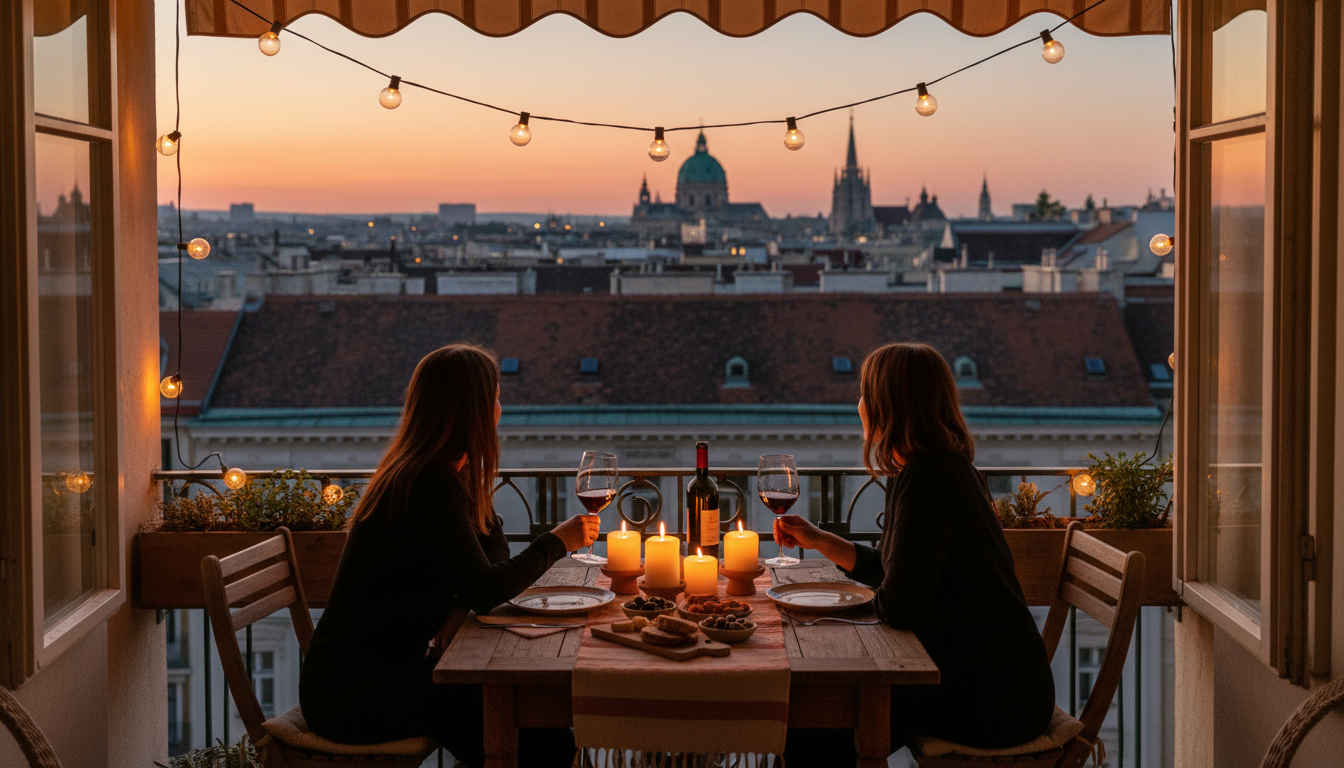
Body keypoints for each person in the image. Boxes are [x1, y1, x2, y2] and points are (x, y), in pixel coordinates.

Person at [300, 344, 599, 767]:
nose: (500, 408)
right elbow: (487, 586)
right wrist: (558, 541)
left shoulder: (441, 473)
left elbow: (489, 555)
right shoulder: (428, 482)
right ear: (476, 410)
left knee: (540, 729)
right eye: (495, 398)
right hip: (355, 694)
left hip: (375, 676)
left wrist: (462, 601)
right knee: (536, 736)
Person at [775, 342, 1055, 766]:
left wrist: (856, 607)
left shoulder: (928, 480)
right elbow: (894, 573)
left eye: (865, 394)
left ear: (887, 406)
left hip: (993, 700)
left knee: (819, 717)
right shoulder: (940, 469)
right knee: (815, 718)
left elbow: (899, 607)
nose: (860, 405)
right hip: (1003, 684)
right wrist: (820, 540)